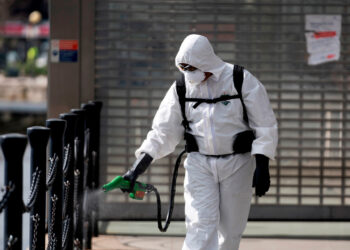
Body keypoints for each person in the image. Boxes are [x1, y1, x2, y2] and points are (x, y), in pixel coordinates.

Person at [122, 34, 278, 250]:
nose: (188, 72)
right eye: (183, 67)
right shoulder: (181, 88)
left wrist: (262, 165)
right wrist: (136, 168)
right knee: (199, 226)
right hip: (200, 165)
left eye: (192, 67)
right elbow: (163, 131)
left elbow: (265, 124)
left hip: (237, 164)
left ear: (207, 62)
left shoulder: (239, 80)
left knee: (231, 231)